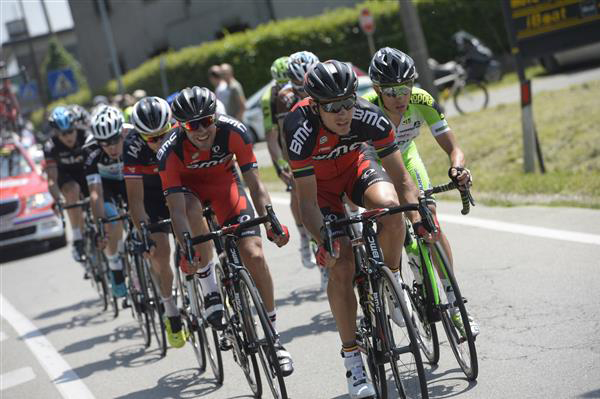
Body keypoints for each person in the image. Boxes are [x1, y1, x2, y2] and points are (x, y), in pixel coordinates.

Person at [283, 60, 430, 398]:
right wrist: (327, 241)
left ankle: (392, 283)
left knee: (392, 210)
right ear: (316, 106)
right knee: (343, 264)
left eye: (348, 102)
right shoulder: (299, 128)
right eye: (332, 107)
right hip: (319, 192)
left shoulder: (369, 117)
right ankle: (352, 359)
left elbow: (402, 178)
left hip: (356, 172)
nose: (343, 112)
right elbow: (306, 205)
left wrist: (418, 220)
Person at [158, 86, 294, 376]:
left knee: (254, 255)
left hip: (226, 188)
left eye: (207, 121)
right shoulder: (169, 151)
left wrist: (270, 219)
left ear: (216, 117)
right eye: (193, 125)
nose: (201, 130)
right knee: (194, 214)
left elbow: (256, 185)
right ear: (181, 126)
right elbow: (177, 210)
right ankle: (210, 288)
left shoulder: (234, 132)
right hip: (190, 194)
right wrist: (186, 245)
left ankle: (274, 338)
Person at [364, 47, 479, 337]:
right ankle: (395, 283)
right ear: (377, 88)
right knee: (391, 219)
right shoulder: (366, 110)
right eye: (391, 91)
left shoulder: (421, 99)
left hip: (408, 156)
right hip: (377, 165)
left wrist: (457, 168)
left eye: (406, 87)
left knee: (432, 224)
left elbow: (453, 147)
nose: (400, 97)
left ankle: (455, 305)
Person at [124, 96, 186, 348]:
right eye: (152, 139)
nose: (159, 143)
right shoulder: (132, 148)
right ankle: (170, 309)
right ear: (139, 135)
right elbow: (135, 202)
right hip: (151, 198)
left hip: (180, 190)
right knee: (161, 252)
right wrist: (145, 234)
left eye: (163, 134)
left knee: (198, 233)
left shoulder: (182, 134)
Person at [274, 52, 322, 275]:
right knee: (298, 191)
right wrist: (288, 167)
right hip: (297, 146)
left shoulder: (325, 82)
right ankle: (304, 234)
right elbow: (285, 137)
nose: (305, 91)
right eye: (299, 86)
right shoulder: (285, 97)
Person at [85, 106, 130, 298]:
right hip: (107, 186)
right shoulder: (91, 151)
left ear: (122, 133)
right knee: (112, 220)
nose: (111, 147)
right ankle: (115, 265)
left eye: (114, 140)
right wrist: (100, 229)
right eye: (104, 143)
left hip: (130, 180)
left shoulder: (133, 136)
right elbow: (95, 194)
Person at [43, 106, 94, 264]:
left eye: (71, 131)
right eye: (64, 134)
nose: (69, 136)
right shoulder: (50, 147)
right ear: (56, 133)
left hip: (86, 173)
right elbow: (52, 178)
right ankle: (77, 238)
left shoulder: (85, 135)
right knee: (72, 190)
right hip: (66, 177)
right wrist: (58, 199)